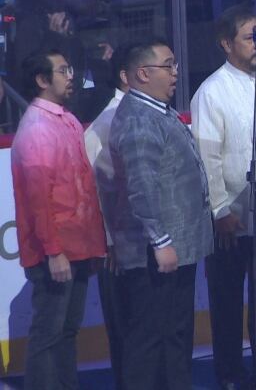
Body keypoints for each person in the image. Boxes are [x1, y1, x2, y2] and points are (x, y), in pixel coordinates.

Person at [191, 5, 256, 390]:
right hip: (230, 219)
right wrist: (219, 210)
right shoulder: (212, 92)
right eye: (251, 36)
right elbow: (206, 158)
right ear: (225, 44)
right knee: (228, 303)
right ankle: (231, 375)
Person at [108, 38, 213, 390]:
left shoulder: (155, 110)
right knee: (151, 339)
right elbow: (142, 188)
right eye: (168, 65)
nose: (175, 73)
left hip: (174, 247)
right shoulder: (140, 120)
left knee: (174, 334)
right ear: (142, 73)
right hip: (156, 253)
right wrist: (162, 241)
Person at [11, 49, 107, 390]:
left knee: (67, 330)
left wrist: (93, 247)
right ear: (42, 80)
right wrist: (53, 252)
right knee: (49, 334)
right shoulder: (38, 128)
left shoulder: (64, 118)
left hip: (77, 246)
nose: (71, 76)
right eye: (63, 70)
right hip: (56, 251)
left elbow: (81, 187)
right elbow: (39, 200)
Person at [83, 43, 131, 390]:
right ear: (129, 75)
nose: (174, 74)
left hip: (142, 242)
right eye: (164, 66)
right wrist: (110, 241)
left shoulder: (144, 114)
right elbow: (96, 191)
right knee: (127, 331)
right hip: (120, 247)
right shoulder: (107, 122)